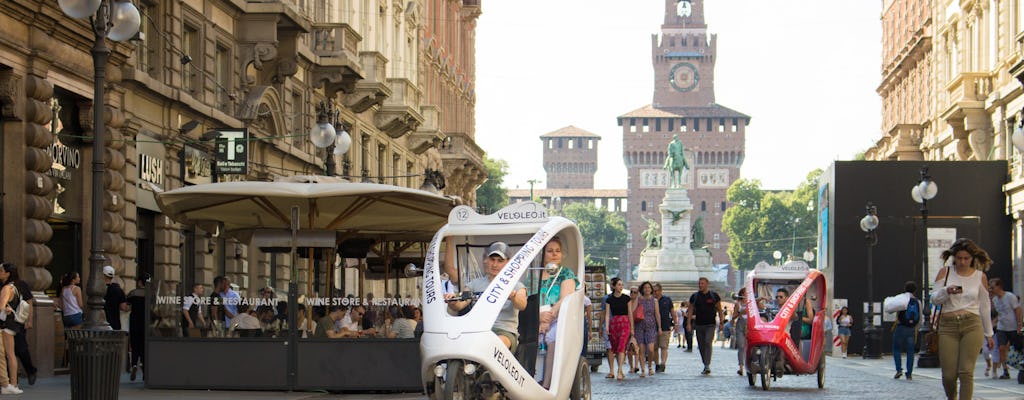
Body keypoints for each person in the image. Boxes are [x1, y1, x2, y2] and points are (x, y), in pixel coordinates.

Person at [931, 238, 995, 400]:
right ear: (954, 257)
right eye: (959, 258)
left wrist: (989, 334)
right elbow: (934, 299)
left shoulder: (980, 276)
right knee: (949, 375)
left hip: (972, 324)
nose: (962, 262)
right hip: (948, 325)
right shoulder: (945, 272)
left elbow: (985, 306)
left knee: (966, 372)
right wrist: (947, 291)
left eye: (966, 258)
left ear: (972, 258)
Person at [446, 242, 527, 351]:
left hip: (504, 332)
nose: (495, 264)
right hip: (478, 331)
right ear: (486, 260)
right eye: (492, 259)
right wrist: (453, 302)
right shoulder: (474, 284)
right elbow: (460, 304)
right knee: (452, 345)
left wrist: (513, 296)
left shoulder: (517, 285)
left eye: (500, 261)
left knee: (494, 345)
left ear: (508, 262)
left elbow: (522, 304)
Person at [536, 237, 578, 389]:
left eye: (557, 251)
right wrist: (539, 319)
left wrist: (547, 319)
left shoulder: (565, 274)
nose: (554, 254)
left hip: (558, 318)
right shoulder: (534, 275)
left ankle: (547, 384)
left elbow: (565, 299)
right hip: (536, 318)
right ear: (542, 254)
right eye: (550, 251)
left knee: (553, 338)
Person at [687, 277, 725, 375]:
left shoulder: (713, 296)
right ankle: (705, 363)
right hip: (699, 324)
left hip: (710, 324)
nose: (700, 285)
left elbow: (720, 310)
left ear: (707, 284)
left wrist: (721, 322)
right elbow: (690, 310)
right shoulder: (695, 296)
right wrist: (688, 323)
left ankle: (707, 364)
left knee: (708, 342)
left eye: (702, 283)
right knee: (701, 345)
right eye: (699, 283)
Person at [989, 277, 1022, 380]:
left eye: (992, 287)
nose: (991, 289)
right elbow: (999, 314)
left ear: (999, 286)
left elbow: (1018, 310)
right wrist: (993, 322)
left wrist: (1019, 324)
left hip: (1013, 327)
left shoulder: (1010, 297)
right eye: (990, 288)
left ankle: (1021, 368)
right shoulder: (994, 300)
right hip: (1002, 328)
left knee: (1019, 348)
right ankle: (1005, 371)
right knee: (1001, 348)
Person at [604, 278, 633, 381]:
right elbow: (607, 314)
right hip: (614, 324)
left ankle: (620, 369)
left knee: (621, 346)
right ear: (614, 286)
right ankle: (618, 369)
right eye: (619, 285)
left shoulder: (626, 298)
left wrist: (632, 329)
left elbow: (630, 313)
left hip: (625, 323)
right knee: (615, 347)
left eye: (622, 285)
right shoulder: (609, 299)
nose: (621, 287)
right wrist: (607, 327)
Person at [0, 264, 23, 394]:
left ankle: (12, 384)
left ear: (7, 274)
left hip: (5, 324)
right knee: (10, 354)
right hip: (12, 324)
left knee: (8, 354)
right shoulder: (15, 288)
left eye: (1, 271)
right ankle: (12, 384)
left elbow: (1, 306)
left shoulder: (6, 288)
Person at [892, 281, 921, 380]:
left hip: (900, 327)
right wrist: (916, 327)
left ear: (905, 288)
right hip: (911, 329)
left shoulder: (902, 300)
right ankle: (909, 373)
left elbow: (894, 311)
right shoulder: (917, 301)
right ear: (915, 290)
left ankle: (898, 370)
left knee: (896, 349)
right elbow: (920, 317)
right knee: (910, 351)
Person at [11, 270, 36, 385]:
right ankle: (12, 377)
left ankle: (30, 370)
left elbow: (29, 302)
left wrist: (29, 319)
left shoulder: (21, 284)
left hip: (19, 321)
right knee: (8, 351)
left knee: (21, 349)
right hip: (5, 321)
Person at [633, 281, 661, 378]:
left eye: (649, 287)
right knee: (641, 349)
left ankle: (649, 365)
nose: (647, 289)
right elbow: (633, 311)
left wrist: (660, 327)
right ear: (642, 289)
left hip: (651, 326)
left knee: (651, 349)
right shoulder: (639, 299)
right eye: (645, 288)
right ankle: (643, 369)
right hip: (640, 326)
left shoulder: (655, 301)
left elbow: (657, 314)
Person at [126, 273, 149, 381]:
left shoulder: (133, 293)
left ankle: (134, 365)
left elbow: (126, 306)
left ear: (139, 282)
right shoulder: (151, 294)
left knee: (135, 346)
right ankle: (145, 372)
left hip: (134, 322)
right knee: (144, 347)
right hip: (146, 323)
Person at [653, 283, 674, 373]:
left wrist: (675, 323)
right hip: (653, 326)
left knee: (664, 346)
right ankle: (657, 364)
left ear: (660, 291)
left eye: (656, 291)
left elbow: (672, 311)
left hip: (665, 326)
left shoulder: (667, 300)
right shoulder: (651, 300)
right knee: (654, 347)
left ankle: (663, 363)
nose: (654, 292)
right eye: (653, 291)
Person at [102, 266, 127, 330]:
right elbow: (123, 307)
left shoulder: (98, 289)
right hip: (115, 323)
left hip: (101, 323)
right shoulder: (118, 290)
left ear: (103, 275)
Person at [733, 288, 749, 376]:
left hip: (749, 326)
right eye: (744, 293)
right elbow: (733, 317)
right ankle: (741, 367)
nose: (746, 295)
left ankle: (749, 366)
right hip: (740, 325)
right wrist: (740, 312)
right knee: (741, 345)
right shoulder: (738, 304)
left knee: (749, 346)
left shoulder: (751, 303)